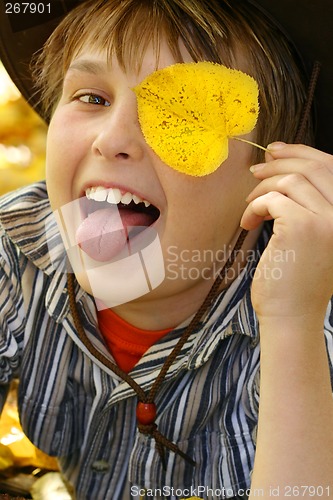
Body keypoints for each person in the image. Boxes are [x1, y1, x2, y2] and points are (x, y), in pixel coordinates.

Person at [0, 0, 333, 498]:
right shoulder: (17, 249)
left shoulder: (312, 316)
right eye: (91, 98)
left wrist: (292, 322)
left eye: (182, 115)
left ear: (277, 172)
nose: (112, 139)